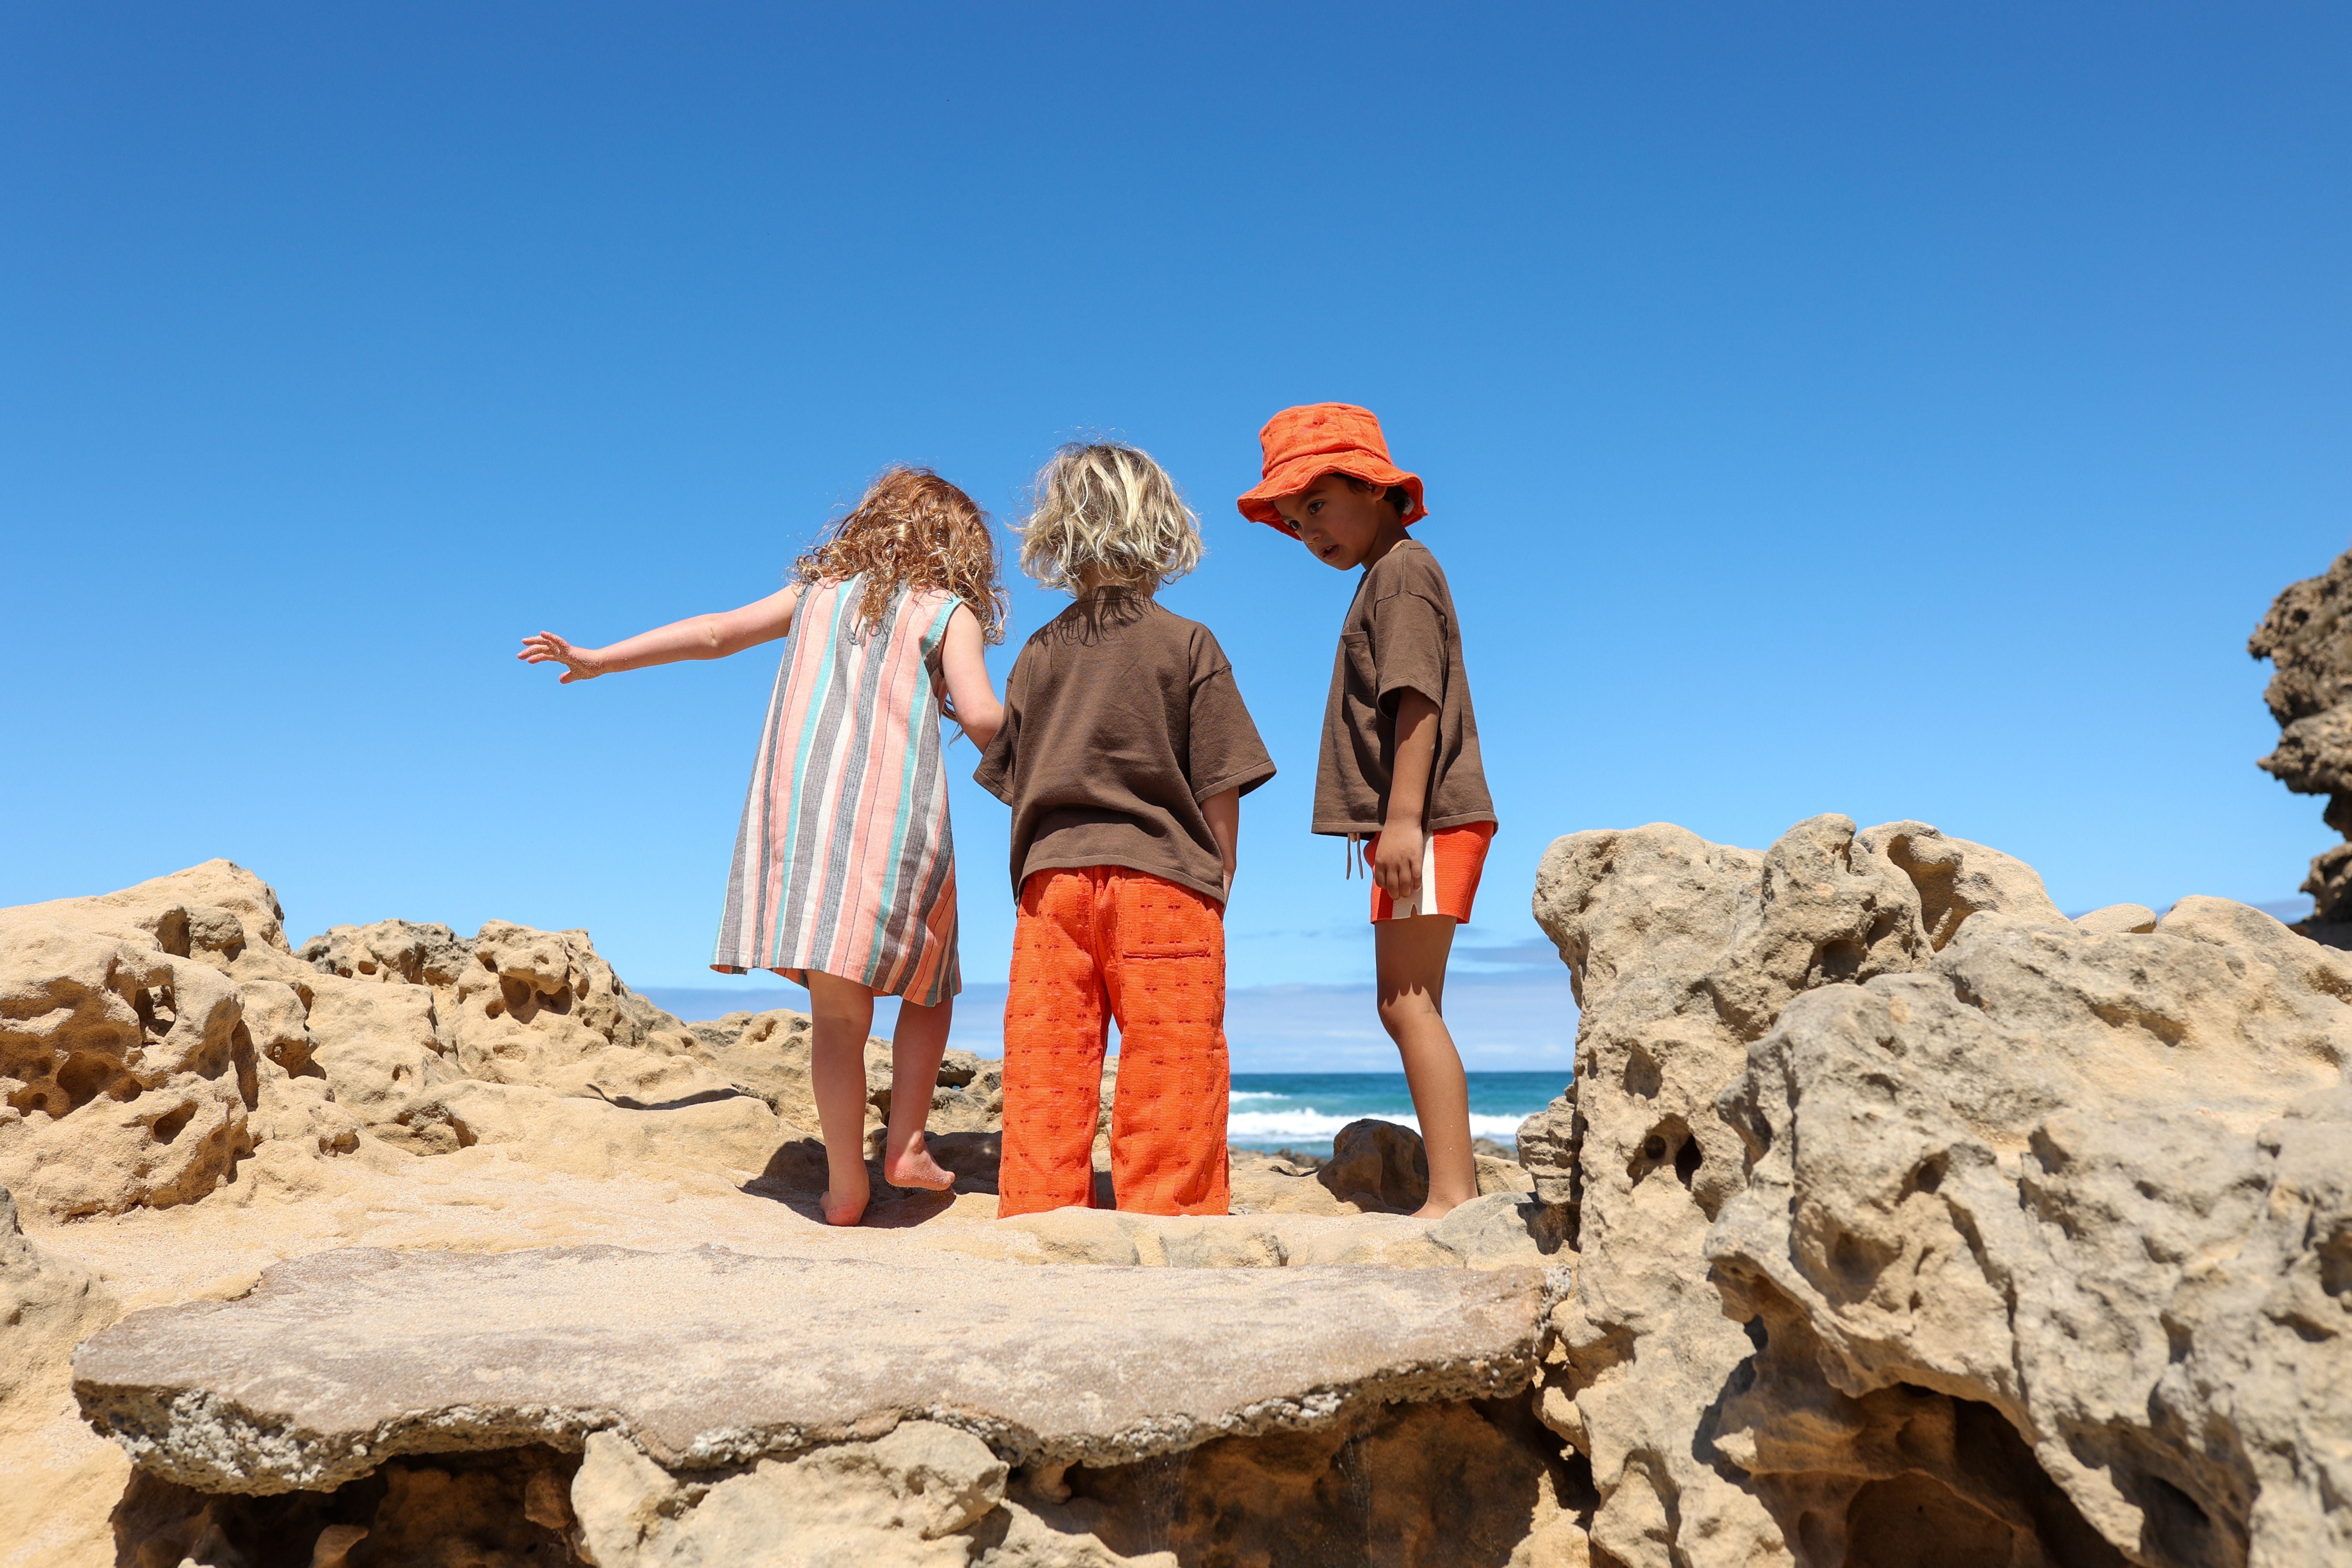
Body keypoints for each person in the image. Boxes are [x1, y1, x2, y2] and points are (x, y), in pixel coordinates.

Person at [518, 467, 1006, 1226]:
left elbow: (715, 634)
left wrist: (598, 658)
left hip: (806, 827)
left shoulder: (815, 596)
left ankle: (847, 1186)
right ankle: (905, 1143)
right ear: (959, 549)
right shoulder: (949, 612)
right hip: (896, 824)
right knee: (929, 986)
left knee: (839, 1021)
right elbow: (981, 718)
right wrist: (1053, 756)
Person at [975, 443, 1275, 1216]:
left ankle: (1041, 1212)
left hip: (1052, 886)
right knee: (1175, 1059)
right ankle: (1168, 1214)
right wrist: (1222, 874)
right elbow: (1221, 778)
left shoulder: (1039, 653)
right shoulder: (1189, 642)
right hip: (1166, 880)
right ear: (1164, 532)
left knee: (1048, 1058)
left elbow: (1017, 779)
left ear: (1058, 536)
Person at [1237, 404, 1496, 1218]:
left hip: (1432, 815)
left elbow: (1416, 700)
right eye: (1292, 518)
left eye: (1317, 504)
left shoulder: (1403, 574)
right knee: (1410, 1002)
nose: (1307, 530)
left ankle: (1453, 1197)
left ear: (1377, 490)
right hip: (1424, 815)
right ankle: (1452, 1187)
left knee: (1406, 1001)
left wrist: (1406, 819)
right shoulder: (1387, 577)